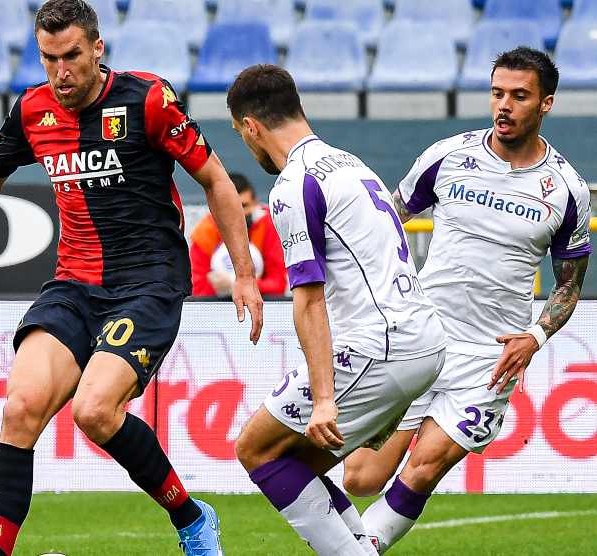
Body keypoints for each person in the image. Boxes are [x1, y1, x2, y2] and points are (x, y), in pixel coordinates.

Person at [0, 1, 263, 555]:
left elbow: (215, 180)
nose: (61, 71)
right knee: (20, 407)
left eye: (71, 56)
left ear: (97, 48)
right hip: (73, 283)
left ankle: (192, 520)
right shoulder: (33, 110)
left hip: (147, 282)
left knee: (94, 412)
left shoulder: (147, 99)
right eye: (49, 58)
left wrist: (243, 273)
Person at [342, 47, 592, 554]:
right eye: (497, 93)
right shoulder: (448, 156)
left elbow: (568, 283)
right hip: (421, 340)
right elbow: (388, 219)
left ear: (546, 104)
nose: (504, 105)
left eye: (519, 96)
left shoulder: (566, 189)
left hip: (489, 357)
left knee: (425, 466)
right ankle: (343, 534)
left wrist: (536, 336)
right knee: (361, 478)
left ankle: (358, 551)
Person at [226, 64, 447, 555]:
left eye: (243, 136)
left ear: (251, 128)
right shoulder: (349, 163)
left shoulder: (293, 183)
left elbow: (308, 297)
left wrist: (324, 397)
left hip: (380, 346)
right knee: (294, 463)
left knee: (256, 448)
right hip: (421, 341)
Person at [190, 172, 287, 297]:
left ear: (255, 203)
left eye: (244, 206)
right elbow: (198, 290)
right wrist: (221, 288)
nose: (239, 213)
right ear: (217, 207)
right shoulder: (205, 232)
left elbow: (278, 285)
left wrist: (234, 284)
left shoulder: (268, 225)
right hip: (219, 307)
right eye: (230, 206)